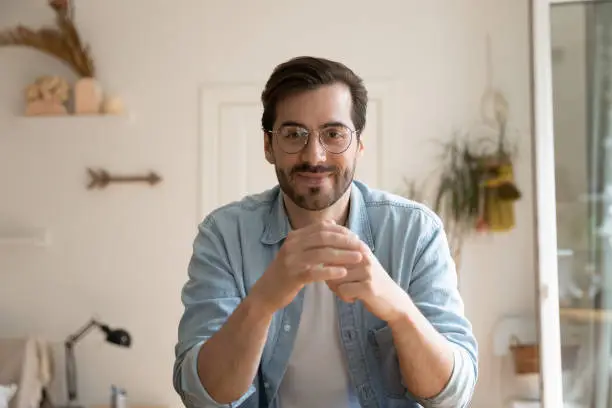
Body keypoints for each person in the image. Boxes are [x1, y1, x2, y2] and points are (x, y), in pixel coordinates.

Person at [173, 56, 478, 408]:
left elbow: (452, 394)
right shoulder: (223, 235)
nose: (314, 155)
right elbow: (201, 396)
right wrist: (262, 301)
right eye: (293, 134)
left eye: (333, 134)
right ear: (268, 146)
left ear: (358, 146)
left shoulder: (416, 231)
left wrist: (396, 307)